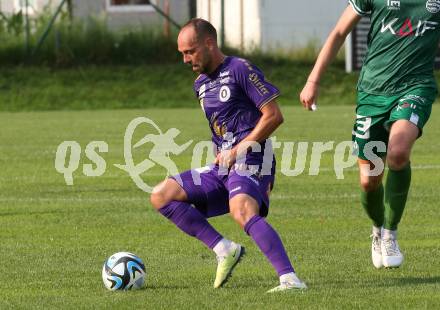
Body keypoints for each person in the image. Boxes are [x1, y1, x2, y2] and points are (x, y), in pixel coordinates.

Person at [150, 18, 306, 292]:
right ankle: (225, 249)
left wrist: (238, 150)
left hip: (254, 158)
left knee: (241, 209)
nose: (185, 59)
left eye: (190, 51)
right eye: (182, 54)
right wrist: (222, 154)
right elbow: (221, 129)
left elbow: (274, 116)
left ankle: (290, 279)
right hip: (224, 165)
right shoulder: (200, 85)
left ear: (209, 44)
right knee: (161, 194)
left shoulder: (240, 69)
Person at [300, 1, 439, 268]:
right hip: (372, 93)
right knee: (369, 181)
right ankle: (377, 229)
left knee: (398, 153)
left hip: (415, 88)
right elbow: (339, 32)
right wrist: (313, 81)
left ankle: (390, 233)